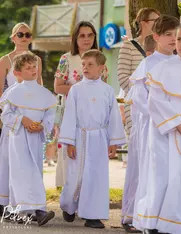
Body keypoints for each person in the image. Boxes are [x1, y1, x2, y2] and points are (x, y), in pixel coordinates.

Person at [134, 21, 181, 234]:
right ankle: (151, 223)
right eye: (179, 39)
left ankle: (176, 224)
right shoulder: (162, 68)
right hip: (164, 131)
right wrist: (178, 123)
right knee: (160, 175)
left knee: (180, 177)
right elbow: (155, 101)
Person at [123, 15, 179, 233]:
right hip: (154, 128)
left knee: (175, 174)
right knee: (155, 173)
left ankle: (171, 220)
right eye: (168, 35)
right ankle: (150, 221)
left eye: (176, 35)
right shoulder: (148, 63)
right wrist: (164, 118)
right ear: (156, 37)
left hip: (179, 130)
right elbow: (139, 98)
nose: (174, 39)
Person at [59, 50, 126, 229]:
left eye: (90, 64)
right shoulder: (76, 89)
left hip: (99, 138)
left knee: (96, 176)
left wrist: (113, 141)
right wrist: (69, 142)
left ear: (101, 68)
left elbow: (113, 118)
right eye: (83, 64)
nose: (86, 68)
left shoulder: (108, 90)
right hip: (80, 136)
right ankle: (69, 205)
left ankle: (93, 215)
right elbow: (70, 115)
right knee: (76, 176)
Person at [0, 53, 56, 226]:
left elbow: (50, 114)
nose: (33, 70)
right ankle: (39, 211)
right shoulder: (13, 92)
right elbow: (6, 114)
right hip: (18, 138)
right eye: (28, 68)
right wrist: (22, 120)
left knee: (34, 170)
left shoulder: (44, 93)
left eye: (34, 67)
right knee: (22, 171)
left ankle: (17, 211)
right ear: (18, 72)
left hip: (35, 137)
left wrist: (43, 126)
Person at [118, 7, 160, 232]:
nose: (158, 23)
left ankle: (150, 214)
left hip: (160, 114)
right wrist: (144, 94)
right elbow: (124, 78)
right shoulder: (129, 46)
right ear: (143, 22)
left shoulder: (163, 49)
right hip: (136, 110)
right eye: (155, 20)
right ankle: (130, 214)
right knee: (137, 161)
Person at [54, 21, 108, 188]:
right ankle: (69, 197)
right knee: (70, 154)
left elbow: (104, 89)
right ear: (75, 38)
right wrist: (82, 90)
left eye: (90, 35)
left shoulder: (100, 59)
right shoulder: (67, 59)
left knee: (91, 156)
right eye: (82, 35)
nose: (86, 39)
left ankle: (88, 197)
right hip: (71, 113)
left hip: (93, 115)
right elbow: (58, 86)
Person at [0, 70, 23, 216]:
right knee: (5, 163)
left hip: (26, 132)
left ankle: (21, 201)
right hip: (11, 129)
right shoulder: (12, 90)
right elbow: (3, 107)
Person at [0, 22, 43, 101]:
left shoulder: (37, 60)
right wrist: (5, 108)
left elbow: (39, 85)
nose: (24, 37)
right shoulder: (5, 60)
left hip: (32, 106)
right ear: (13, 38)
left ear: (31, 39)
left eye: (27, 35)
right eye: (20, 34)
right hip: (12, 105)